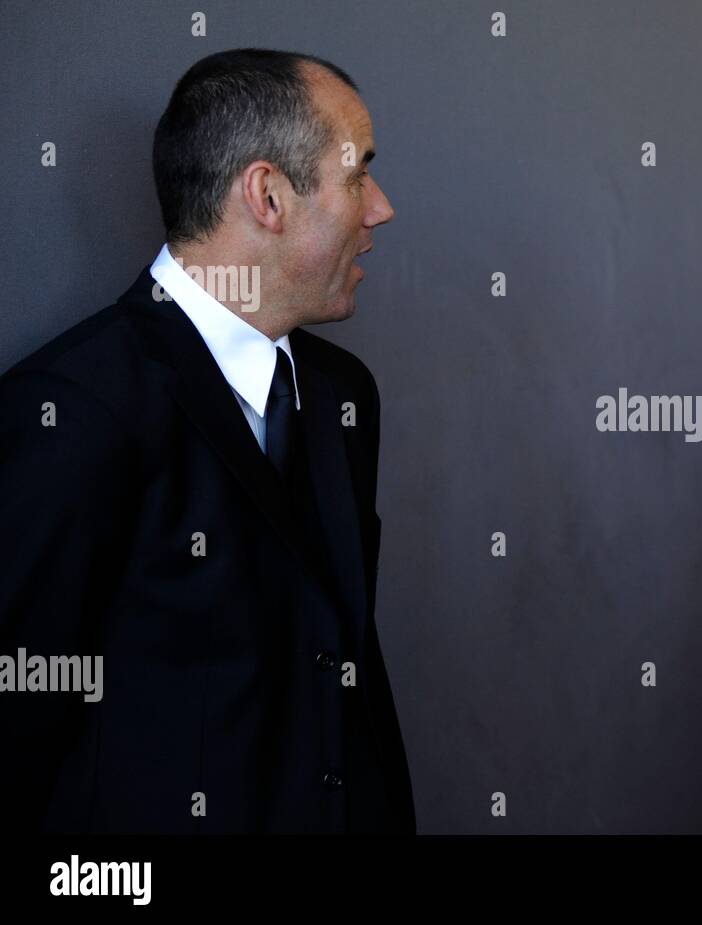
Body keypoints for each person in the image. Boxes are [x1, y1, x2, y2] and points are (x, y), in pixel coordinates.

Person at [0, 49, 415, 833]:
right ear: (267, 194)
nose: (381, 208)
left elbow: (344, 667)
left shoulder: (342, 396)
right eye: (358, 174)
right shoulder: (68, 411)